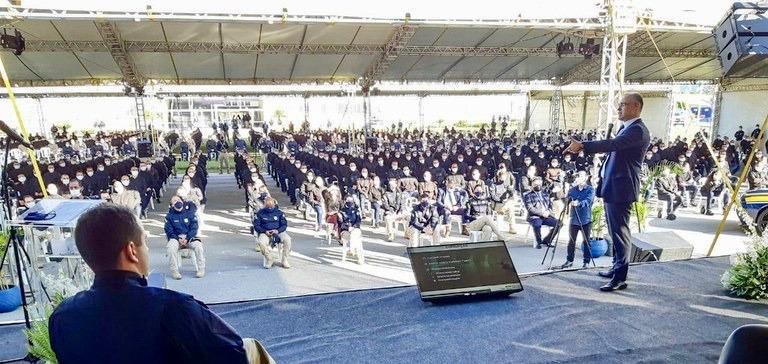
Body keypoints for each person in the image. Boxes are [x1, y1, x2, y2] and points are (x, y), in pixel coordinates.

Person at [49, 204, 274, 364]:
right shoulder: (174, 309)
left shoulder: (62, 317)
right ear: (131, 251)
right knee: (250, 348)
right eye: (145, 244)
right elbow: (233, 355)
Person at [564, 92, 651, 292]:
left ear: (636, 107)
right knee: (614, 230)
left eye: (623, 105)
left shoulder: (637, 130)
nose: (618, 108)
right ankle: (616, 267)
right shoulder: (626, 128)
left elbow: (612, 145)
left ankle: (620, 277)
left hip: (622, 188)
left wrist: (583, 146)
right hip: (613, 186)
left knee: (620, 232)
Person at [164, 195, 204, 279]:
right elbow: (169, 230)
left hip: (189, 237)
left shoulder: (190, 214)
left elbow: (194, 228)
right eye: (174, 201)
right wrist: (178, 239)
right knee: (171, 248)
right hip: (175, 238)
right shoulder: (169, 217)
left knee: (198, 246)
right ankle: (175, 271)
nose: (177, 202)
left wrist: (187, 238)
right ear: (171, 205)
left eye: (179, 200)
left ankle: (201, 269)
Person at [561, 171, 595, 269]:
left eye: (581, 176)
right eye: (578, 176)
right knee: (571, 241)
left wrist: (578, 203)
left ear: (585, 177)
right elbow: (566, 201)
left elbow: (588, 201)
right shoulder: (572, 189)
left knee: (586, 241)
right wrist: (564, 195)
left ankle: (586, 261)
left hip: (585, 219)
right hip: (574, 219)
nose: (579, 178)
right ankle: (569, 260)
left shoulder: (590, 189)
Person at [252, 197, 292, 269]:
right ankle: (269, 258)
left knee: (288, 239)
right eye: (268, 207)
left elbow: (284, 225)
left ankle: (284, 259)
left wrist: (277, 231)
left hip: (278, 231)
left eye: (271, 206)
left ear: (274, 205)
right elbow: (256, 226)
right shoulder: (260, 213)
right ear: (265, 206)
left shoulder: (279, 213)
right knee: (261, 242)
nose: (270, 208)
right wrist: (264, 231)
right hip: (265, 232)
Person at [524, 178, 558, 249]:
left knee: (559, 224)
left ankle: (547, 240)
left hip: (546, 216)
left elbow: (550, 206)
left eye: (539, 184)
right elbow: (530, 209)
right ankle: (539, 242)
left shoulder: (545, 194)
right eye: (535, 184)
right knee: (537, 225)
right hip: (535, 216)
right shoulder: (528, 195)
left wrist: (548, 212)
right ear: (532, 185)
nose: (537, 186)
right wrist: (542, 213)